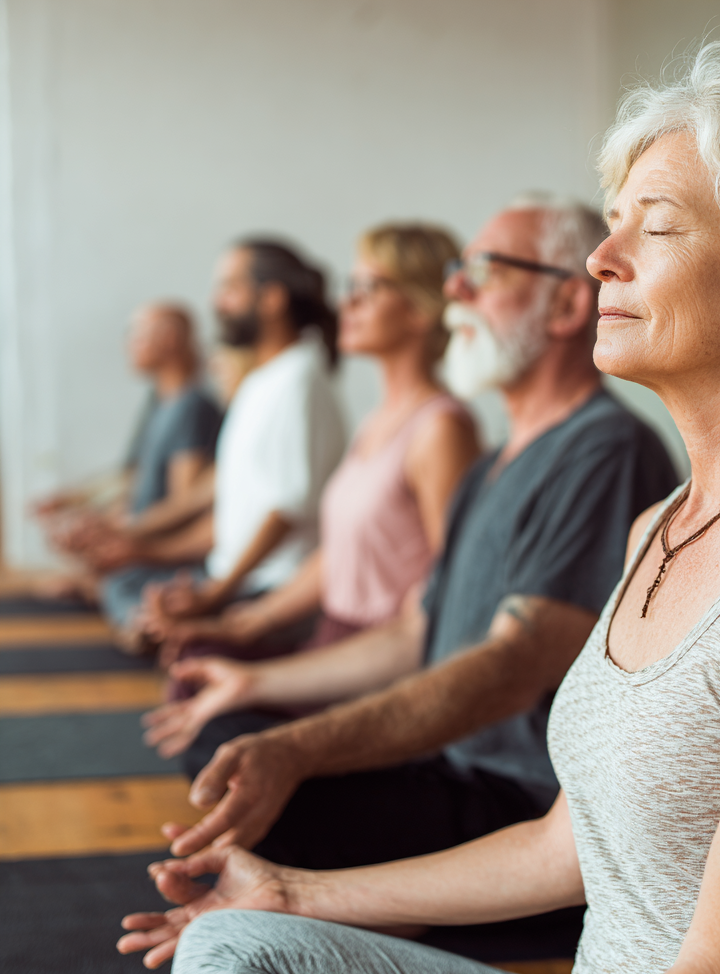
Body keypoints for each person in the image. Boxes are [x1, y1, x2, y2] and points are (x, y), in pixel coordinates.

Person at [121, 42, 720, 974]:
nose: (602, 257)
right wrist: (293, 892)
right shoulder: (658, 528)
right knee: (230, 945)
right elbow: (569, 843)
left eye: (658, 226)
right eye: (612, 224)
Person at [133, 194, 678, 873]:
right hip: (447, 760)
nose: (455, 289)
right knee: (228, 738)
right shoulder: (488, 467)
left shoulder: (606, 450)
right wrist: (253, 680)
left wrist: (302, 747)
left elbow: (514, 667)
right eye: (455, 272)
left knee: (254, 775)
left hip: (515, 797)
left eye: (483, 272)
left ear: (568, 307)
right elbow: (414, 631)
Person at [141, 222, 479, 695]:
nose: (347, 303)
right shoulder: (376, 422)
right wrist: (244, 621)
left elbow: (454, 584)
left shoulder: (442, 429)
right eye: (349, 287)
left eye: (368, 288)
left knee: (201, 695)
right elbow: (338, 553)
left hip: (378, 654)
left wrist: (222, 598)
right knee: (192, 667)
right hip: (333, 631)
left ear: (421, 310)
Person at [138, 239, 346, 631]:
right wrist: (142, 547)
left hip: (270, 593)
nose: (217, 303)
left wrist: (217, 594)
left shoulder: (298, 380)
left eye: (230, 288)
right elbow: (237, 512)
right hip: (236, 582)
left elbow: (285, 510)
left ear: (272, 299)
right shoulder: (264, 380)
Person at [35, 303, 221, 622]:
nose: (127, 346)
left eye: (135, 337)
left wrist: (121, 534)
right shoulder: (158, 401)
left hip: (167, 556)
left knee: (129, 599)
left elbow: (185, 506)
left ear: (168, 340)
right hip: (140, 539)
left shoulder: (192, 407)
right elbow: (134, 477)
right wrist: (81, 506)